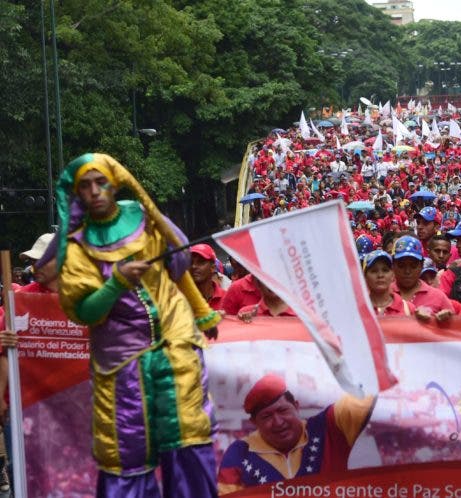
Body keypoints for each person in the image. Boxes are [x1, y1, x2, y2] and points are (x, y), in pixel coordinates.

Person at [54, 153, 220, 496]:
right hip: (121, 360)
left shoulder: (142, 216)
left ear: (116, 182)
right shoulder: (77, 248)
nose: (96, 192)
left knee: (188, 437)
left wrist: (201, 310)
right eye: (86, 186)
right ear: (77, 195)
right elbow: (83, 311)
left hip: (175, 343)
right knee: (124, 454)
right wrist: (116, 284)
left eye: (101, 182)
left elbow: (179, 264)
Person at [217, 375, 375, 494]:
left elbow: (369, 385)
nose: (278, 422)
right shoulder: (238, 454)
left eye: (283, 410)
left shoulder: (329, 426)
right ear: (254, 423)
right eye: (267, 417)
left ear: (296, 406)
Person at [391, 236, 453, 314]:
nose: (407, 271)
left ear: (421, 265)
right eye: (401, 265)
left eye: (413, 266)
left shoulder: (438, 297)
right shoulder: (383, 295)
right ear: (393, 265)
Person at [362, 250, 413, 316]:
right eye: (374, 271)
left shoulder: (408, 309)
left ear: (392, 275)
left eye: (385, 270)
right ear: (365, 276)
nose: (380, 275)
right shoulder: (357, 310)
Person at [190, 243, 226, 311]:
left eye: (201, 262)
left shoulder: (226, 298)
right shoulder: (182, 300)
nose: (194, 266)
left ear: (213, 268)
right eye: (191, 262)